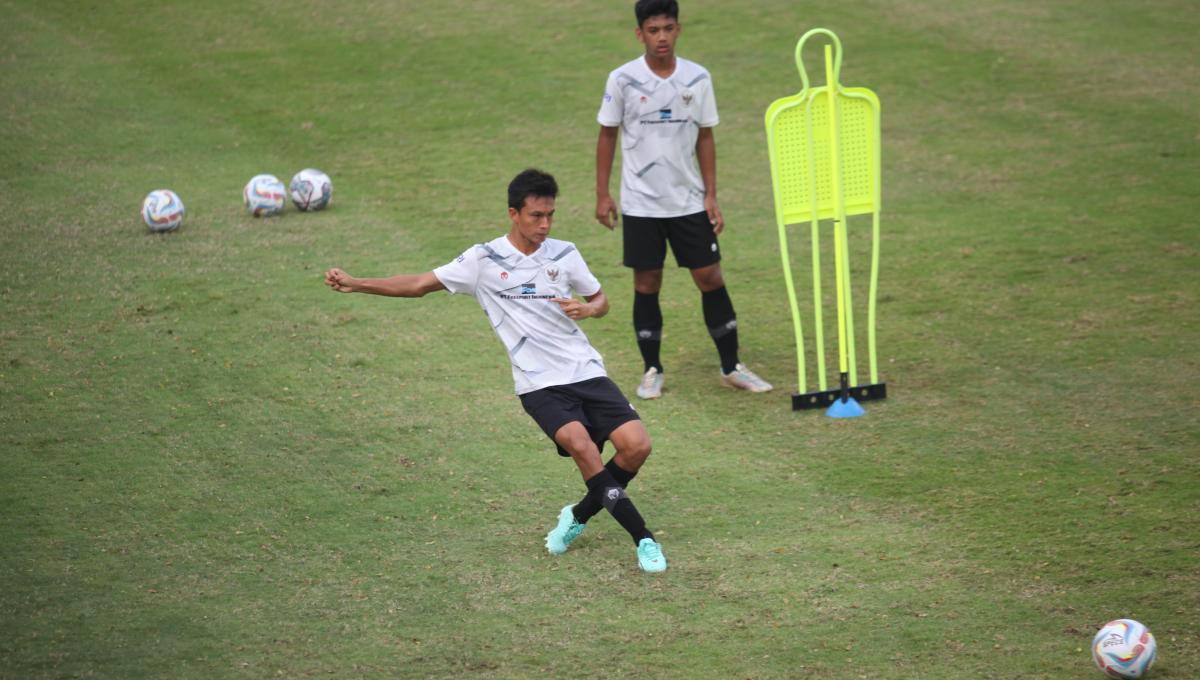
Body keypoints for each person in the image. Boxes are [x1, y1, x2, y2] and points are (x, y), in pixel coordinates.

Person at [324, 169, 667, 573]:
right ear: (513, 213)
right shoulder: (482, 260)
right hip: (538, 383)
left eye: (550, 216)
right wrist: (357, 283)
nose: (544, 224)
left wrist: (589, 309)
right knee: (583, 447)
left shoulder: (564, 253)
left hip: (586, 371)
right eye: (536, 215)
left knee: (637, 446)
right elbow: (418, 284)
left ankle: (576, 516)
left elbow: (600, 299)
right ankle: (644, 539)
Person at [595, 0, 773, 400]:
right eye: (654, 30)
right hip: (641, 203)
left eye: (669, 28)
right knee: (647, 282)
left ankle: (731, 367)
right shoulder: (622, 79)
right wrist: (602, 193)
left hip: (690, 202)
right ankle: (652, 369)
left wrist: (711, 194)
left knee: (710, 277)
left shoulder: (698, 78)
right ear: (640, 33)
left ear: (679, 30)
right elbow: (607, 134)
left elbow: (706, 137)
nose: (662, 36)